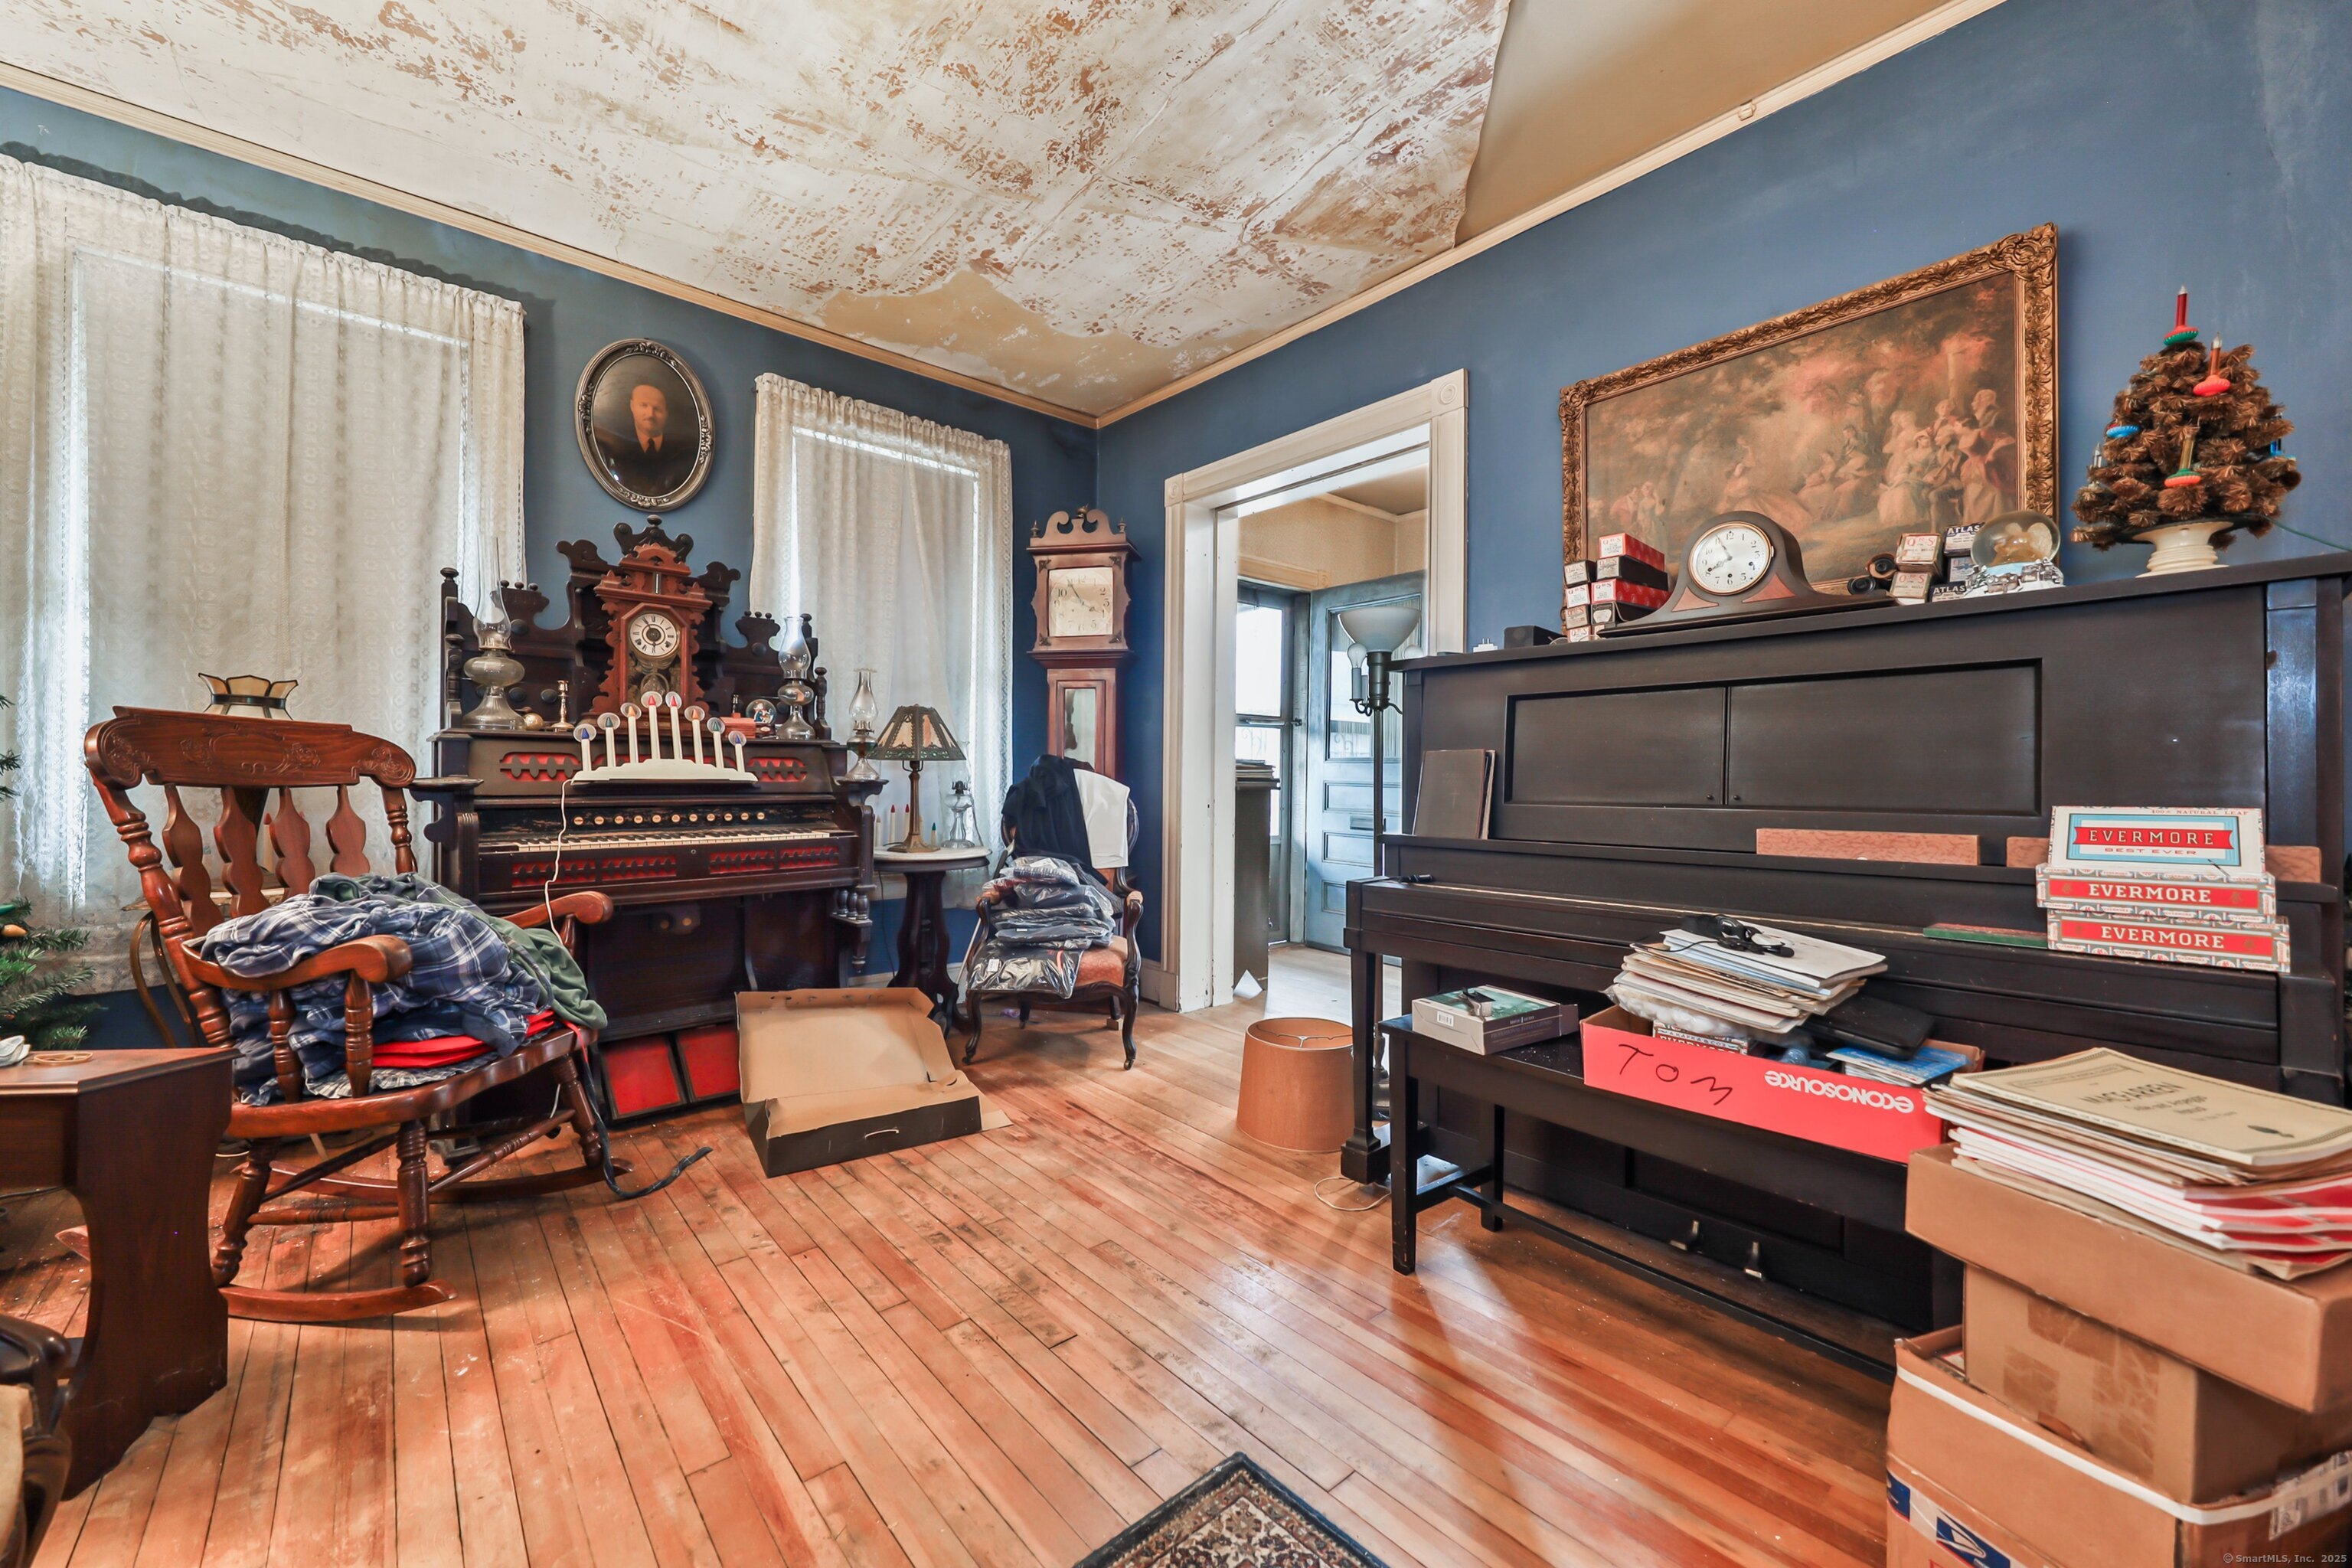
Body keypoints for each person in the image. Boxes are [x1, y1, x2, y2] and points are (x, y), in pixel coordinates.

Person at [596, 378, 697, 497]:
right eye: (644, 405)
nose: (650, 414)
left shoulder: (686, 451)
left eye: (657, 409)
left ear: (666, 414)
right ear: (632, 406)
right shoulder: (611, 448)